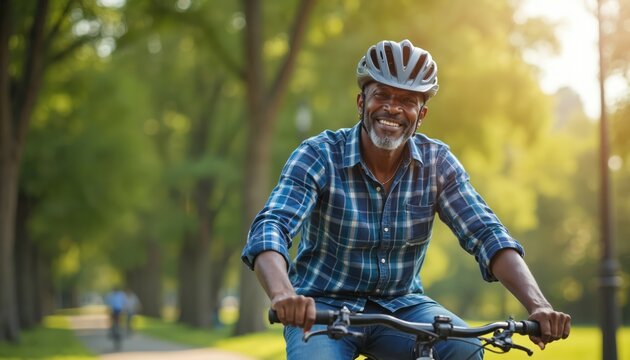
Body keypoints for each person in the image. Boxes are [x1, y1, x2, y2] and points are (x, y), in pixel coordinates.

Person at [241, 39, 571, 360]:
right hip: (322, 307)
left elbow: (486, 233)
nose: (392, 108)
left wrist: (538, 304)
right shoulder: (319, 155)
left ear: (421, 113)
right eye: (381, 95)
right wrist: (284, 294)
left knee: (465, 349)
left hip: (403, 306)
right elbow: (273, 225)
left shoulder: (437, 163)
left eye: (407, 100)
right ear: (360, 103)